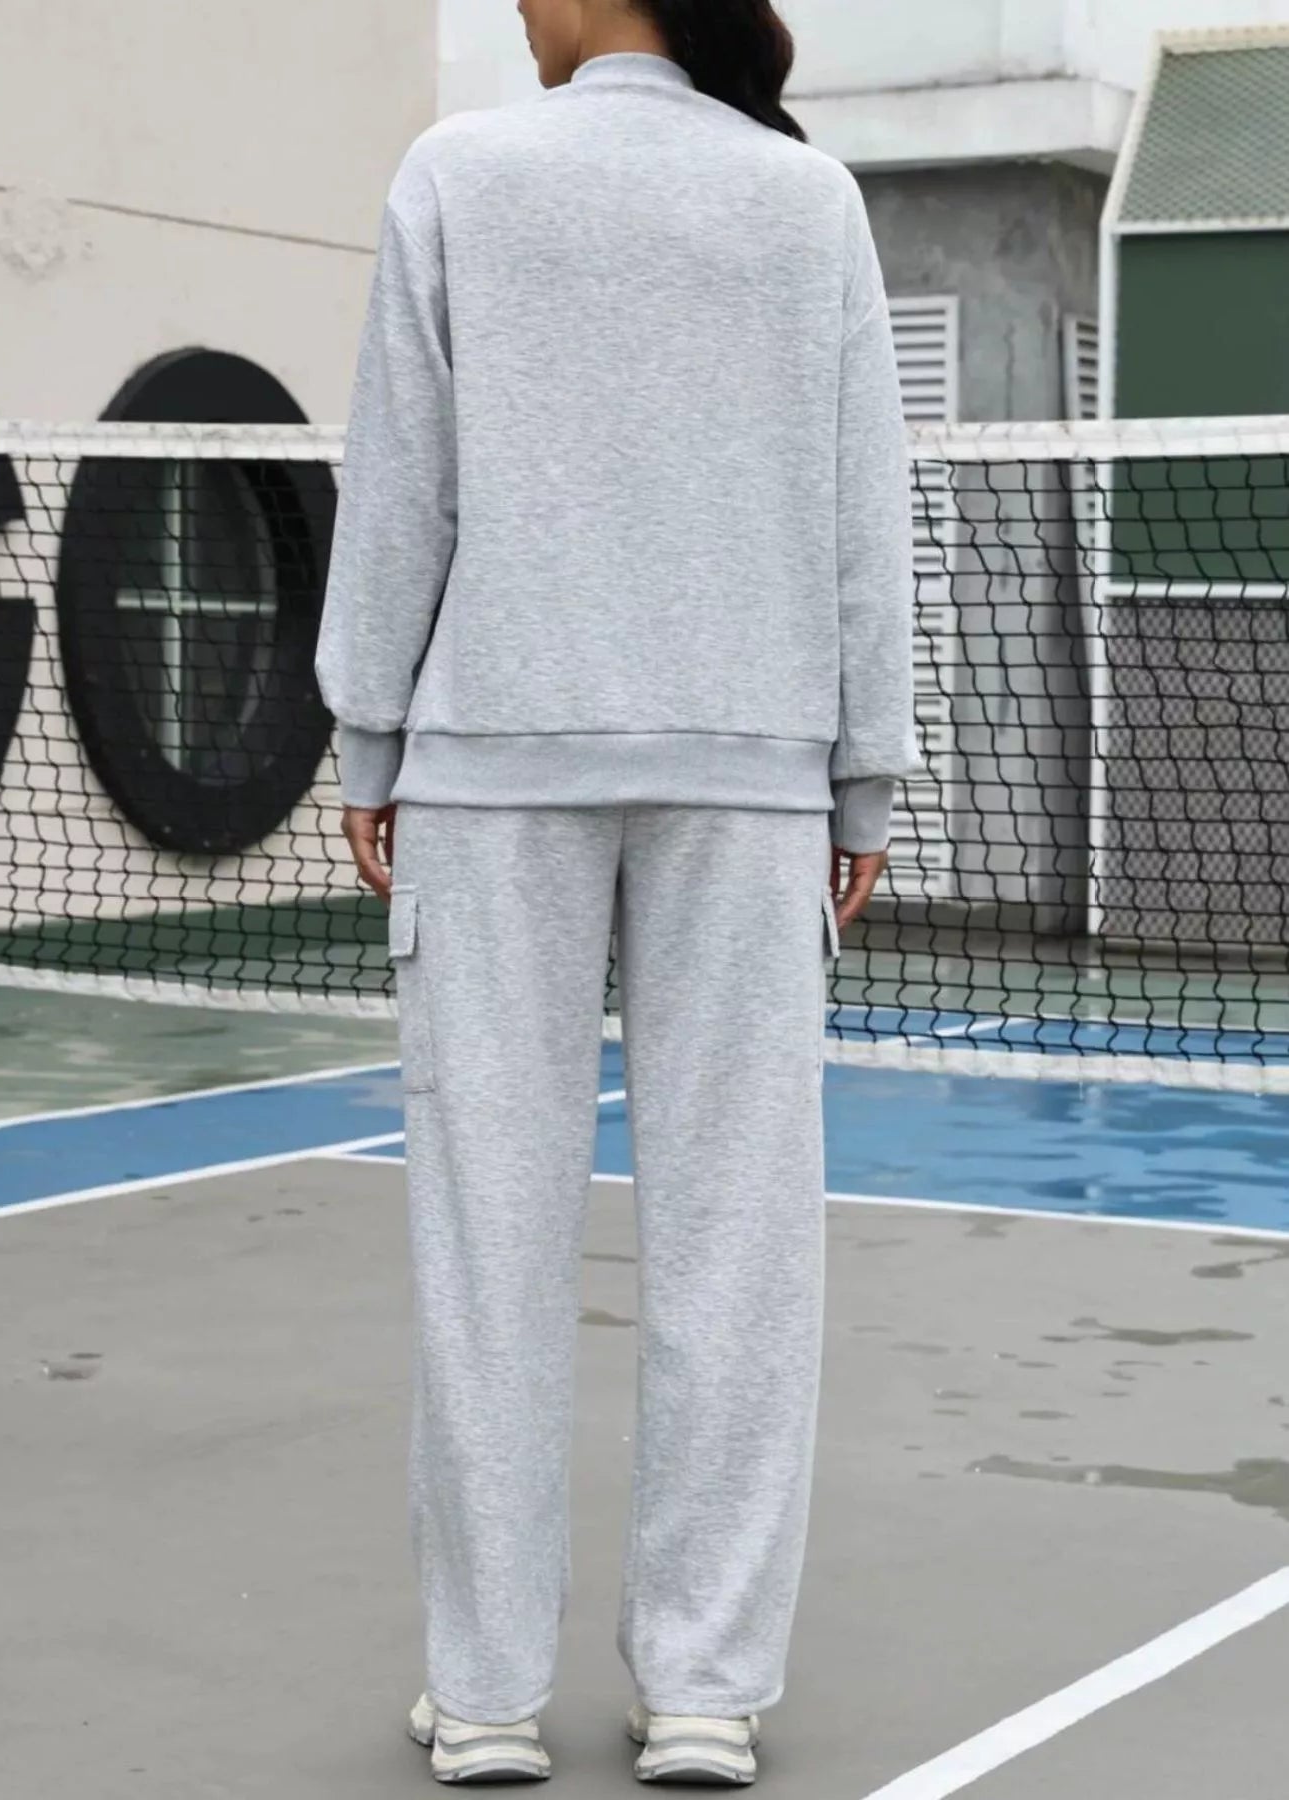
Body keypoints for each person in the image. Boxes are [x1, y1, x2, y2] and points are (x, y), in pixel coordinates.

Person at [314, 0, 919, 1784]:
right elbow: (863, 513)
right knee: (740, 1247)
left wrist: (369, 739)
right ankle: (705, 1690)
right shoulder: (805, 201)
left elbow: (398, 488)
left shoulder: (457, 176)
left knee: (484, 1246)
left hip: (492, 774)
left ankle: (487, 1695)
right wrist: (862, 772)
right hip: (748, 781)